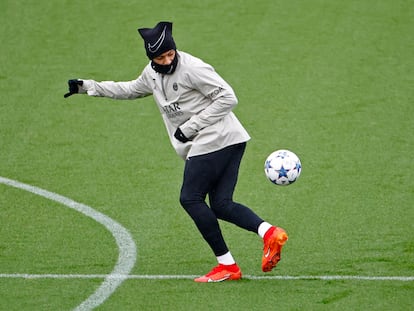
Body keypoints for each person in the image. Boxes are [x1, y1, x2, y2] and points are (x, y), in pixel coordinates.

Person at [64, 21, 288, 282]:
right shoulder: (151, 74)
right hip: (230, 140)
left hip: (215, 139)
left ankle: (227, 265)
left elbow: (228, 97)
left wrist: (189, 128)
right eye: (161, 57)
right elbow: (129, 90)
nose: (168, 59)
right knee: (221, 205)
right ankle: (270, 233)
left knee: (190, 198)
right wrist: (88, 86)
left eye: (171, 53)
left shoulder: (193, 68)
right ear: (152, 58)